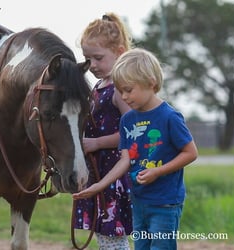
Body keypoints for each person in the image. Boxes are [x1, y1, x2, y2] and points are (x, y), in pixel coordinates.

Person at [73, 48, 198, 250]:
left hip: (164, 203)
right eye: (120, 91)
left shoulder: (170, 117)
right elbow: (125, 160)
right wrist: (100, 185)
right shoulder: (128, 120)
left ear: (151, 82)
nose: (124, 96)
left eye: (128, 90)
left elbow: (191, 153)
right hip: (138, 201)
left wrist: (158, 171)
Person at [72, 12, 133, 250]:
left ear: (119, 52)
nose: (92, 65)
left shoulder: (121, 88)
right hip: (99, 173)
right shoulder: (98, 86)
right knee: (105, 237)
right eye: (88, 58)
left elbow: (134, 134)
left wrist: (97, 144)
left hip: (114, 174)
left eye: (98, 58)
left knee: (113, 238)